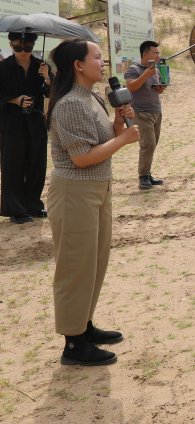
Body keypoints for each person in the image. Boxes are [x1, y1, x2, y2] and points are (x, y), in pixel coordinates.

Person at [47, 38, 140, 365]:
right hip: (75, 193)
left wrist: (117, 123)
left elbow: (100, 140)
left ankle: (83, 327)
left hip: (97, 189)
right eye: (98, 57)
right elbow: (83, 158)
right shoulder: (70, 103)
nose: (104, 63)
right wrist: (124, 139)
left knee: (93, 263)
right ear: (78, 65)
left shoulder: (93, 98)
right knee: (75, 268)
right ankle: (73, 345)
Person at [0, 31, 51, 223]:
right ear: (11, 45)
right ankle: (16, 209)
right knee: (12, 166)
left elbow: (53, 91)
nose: (23, 51)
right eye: (18, 47)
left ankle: (33, 205)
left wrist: (47, 77)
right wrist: (15, 100)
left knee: (37, 165)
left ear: (33, 46)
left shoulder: (41, 66)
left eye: (28, 48)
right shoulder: (3, 67)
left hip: (36, 122)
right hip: (12, 124)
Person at [124, 40, 168, 190]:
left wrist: (161, 88)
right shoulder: (134, 69)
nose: (157, 56)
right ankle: (143, 176)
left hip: (156, 111)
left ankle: (147, 174)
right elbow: (130, 87)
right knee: (147, 144)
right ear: (145, 54)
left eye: (158, 53)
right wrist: (144, 75)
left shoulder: (155, 70)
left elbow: (157, 90)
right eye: (154, 53)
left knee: (152, 144)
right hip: (140, 112)